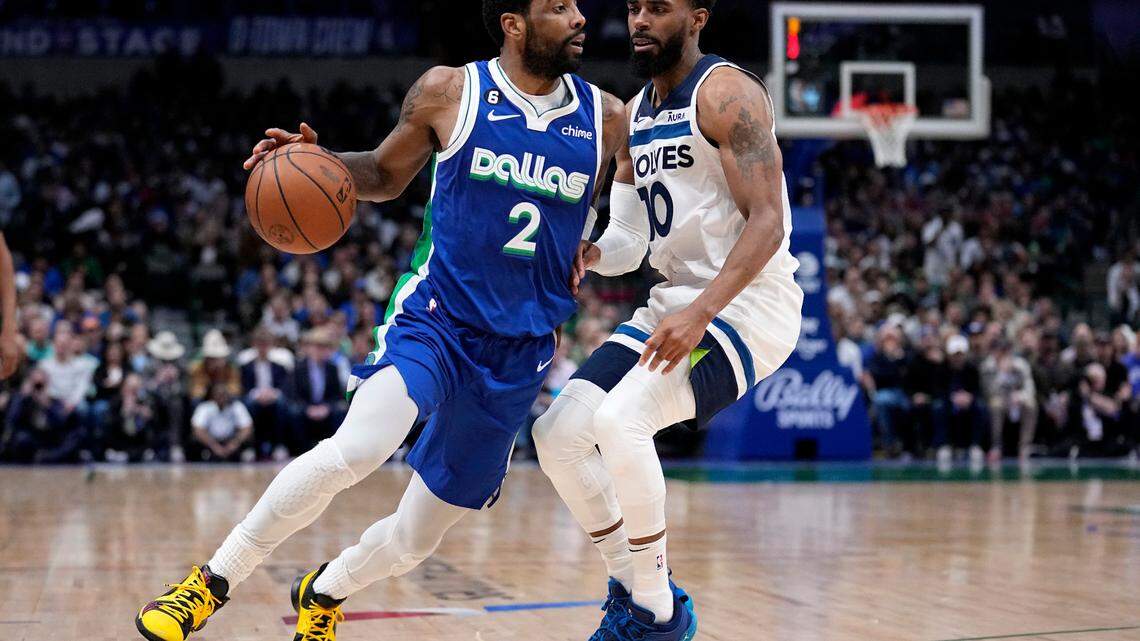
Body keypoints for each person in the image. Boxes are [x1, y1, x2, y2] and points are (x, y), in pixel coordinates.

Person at [136, 1, 626, 639]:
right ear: (514, 23)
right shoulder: (451, 91)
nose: (581, 17)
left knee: (417, 539)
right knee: (358, 449)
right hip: (438, 318)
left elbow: (627, 219)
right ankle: (211, 582)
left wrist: (598, 248)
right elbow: (386, 175)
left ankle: (324, 591)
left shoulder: (607, 117)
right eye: (559, 7)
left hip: (521, 347)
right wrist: (322, 163)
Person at [531, 1, 802, 638]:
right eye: (634, 8)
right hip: (677, 304)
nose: (641, 20)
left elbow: (768, 222)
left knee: (621, 421)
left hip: (748, 306)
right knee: (557, 435)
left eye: (658, 7)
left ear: (698, 17)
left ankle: (655, 615)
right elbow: (630, 239)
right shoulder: (635, 116)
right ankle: (635, 586)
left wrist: (702, 312)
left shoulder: (727, 93)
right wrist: (593, 253)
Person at [190, 382, 254, 462]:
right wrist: (214, 446)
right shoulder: (204, 407)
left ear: (228, 395)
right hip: (210, 443)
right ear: (212, 396)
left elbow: (247, 427)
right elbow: (198, 430)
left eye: (223, 394)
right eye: (218, 394)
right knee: (194, 441)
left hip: (232, 442)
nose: (221, 397)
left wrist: (234, 443)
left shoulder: (237, 406)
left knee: (249, 440)